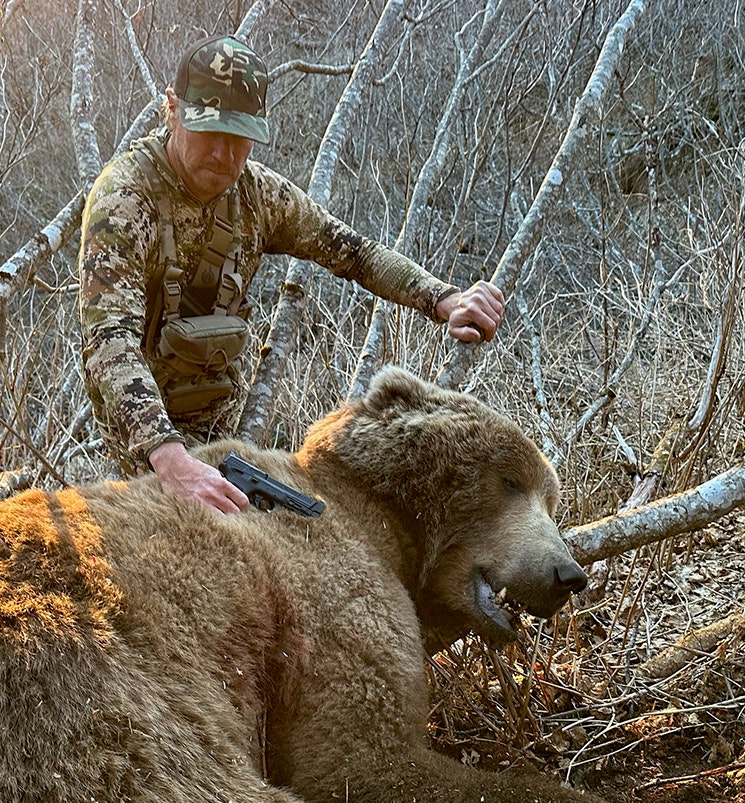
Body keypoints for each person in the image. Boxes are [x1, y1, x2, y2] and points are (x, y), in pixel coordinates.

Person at [78, 34, 505, 513]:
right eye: (208, 132)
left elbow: (353, 252)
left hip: (222, 415)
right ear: (171, 110)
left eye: (238, 138)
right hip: (143, 433)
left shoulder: (258, 197)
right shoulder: (124, 200)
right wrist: (171, 460)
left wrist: (443, 299)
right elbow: (108, 338)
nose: (223, 154)